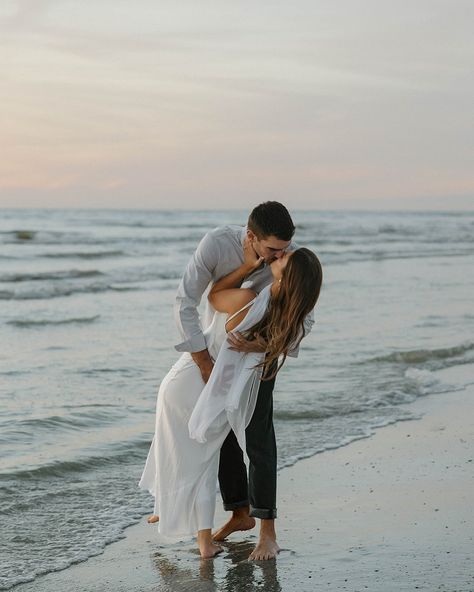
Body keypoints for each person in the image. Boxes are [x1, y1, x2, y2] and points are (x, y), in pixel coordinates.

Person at [139, 241, 322, 559]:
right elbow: (291, 331)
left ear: (289, 274)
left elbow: (214, 296)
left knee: (200, 448)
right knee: (211, 448)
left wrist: (249, 269)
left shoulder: (255, 298)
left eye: (284, 255)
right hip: (235, 382)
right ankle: (197, 511)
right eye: (280, 250)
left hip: (214, 379)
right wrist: (265, 344)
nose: (280, 254)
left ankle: (191, 519)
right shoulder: (290, 307)